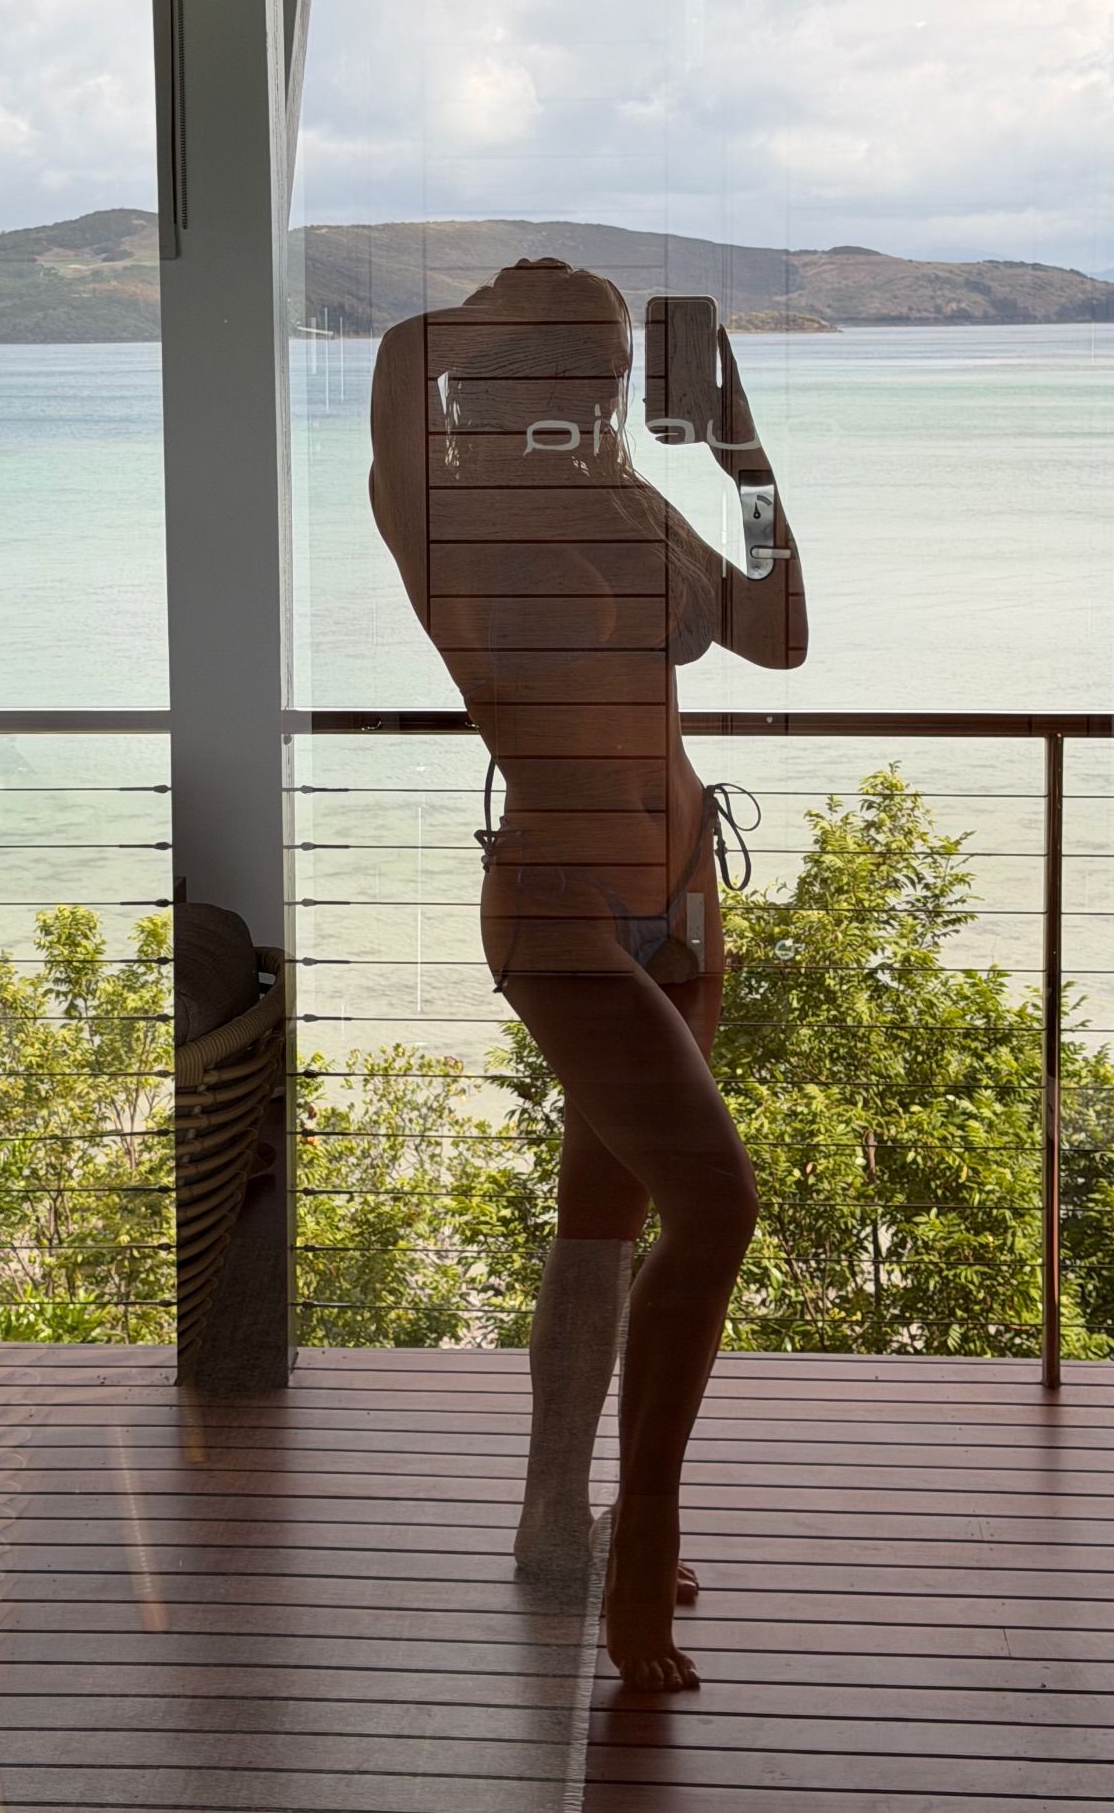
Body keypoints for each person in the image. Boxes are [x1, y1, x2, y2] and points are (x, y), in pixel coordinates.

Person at [368, 256, 807, 1691]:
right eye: (578, 358)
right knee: (718, 1205)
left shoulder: (629, 499)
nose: (607, 386)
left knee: (603, 1219)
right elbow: (396, 356)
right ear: (501, 366)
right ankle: (636, 1550)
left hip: (681, 897)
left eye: (617, 363)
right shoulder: (445, 507)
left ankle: (556, 1514)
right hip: (559, 908)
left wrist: (742, 457)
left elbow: (778, 635)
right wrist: (511, 318)